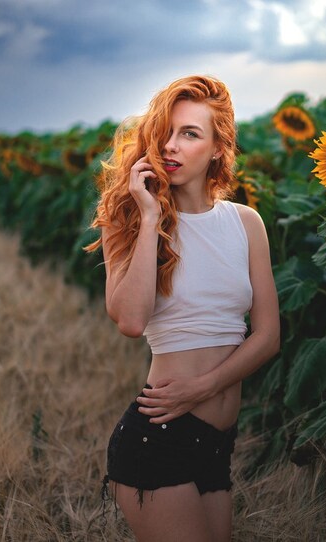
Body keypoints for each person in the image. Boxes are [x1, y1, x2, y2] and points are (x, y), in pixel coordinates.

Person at [84, 75, 280, 542]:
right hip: (158, 437)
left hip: (217, 445)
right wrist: (150, 217)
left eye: (190, 133)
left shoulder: (246, 224)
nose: (171, 145)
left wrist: (204, 387)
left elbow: (268, 336)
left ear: (218, 148)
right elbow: (131, 321)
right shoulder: (128, 221)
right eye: (166, 132)